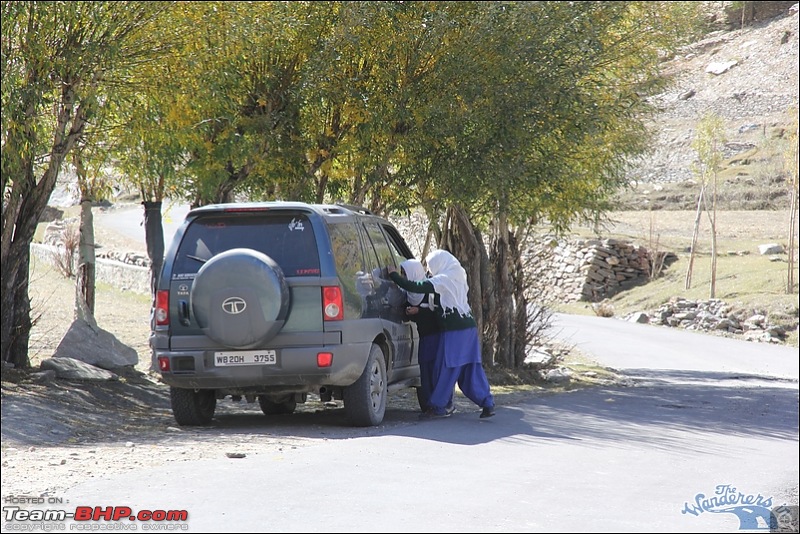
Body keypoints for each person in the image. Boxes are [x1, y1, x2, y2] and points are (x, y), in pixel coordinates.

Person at [389, 250, 496, 419]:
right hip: (469, 327)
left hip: (455, 330)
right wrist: (422, 309)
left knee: (446, 367)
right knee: (471, 368)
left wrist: (394, 276)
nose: (430, 271)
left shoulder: (443, 280)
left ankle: (438, 407)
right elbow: (441, 303)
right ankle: (487, 403)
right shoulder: (457, 276)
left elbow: (416, 286)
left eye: (431, 267)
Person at [398, 259, 454, 415]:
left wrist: (420, 311)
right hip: (425, 337)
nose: (404, 276)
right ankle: (431, 405)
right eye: (402, 273)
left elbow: (437, 312)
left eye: (405, 273)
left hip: (437, 336)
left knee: (438, 371)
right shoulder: (410, 294)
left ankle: (445, 404)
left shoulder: (429, 289)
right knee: (425, 371)